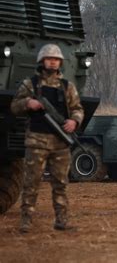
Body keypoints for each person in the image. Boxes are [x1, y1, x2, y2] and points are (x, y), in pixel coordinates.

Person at [10, 44, 84, 233]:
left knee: (60, 183)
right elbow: (14, 107)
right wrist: (28, 102)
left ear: (60, 62)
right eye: (49, 58)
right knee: (31, 182)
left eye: (56, 59)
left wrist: (74, 122)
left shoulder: (67, 87)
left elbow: (77, 109)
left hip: (60, 142)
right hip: (37, 140)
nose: (53, 61)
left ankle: (62, 220)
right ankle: (26, 221)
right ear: (42, 61)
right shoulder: (30, 84)